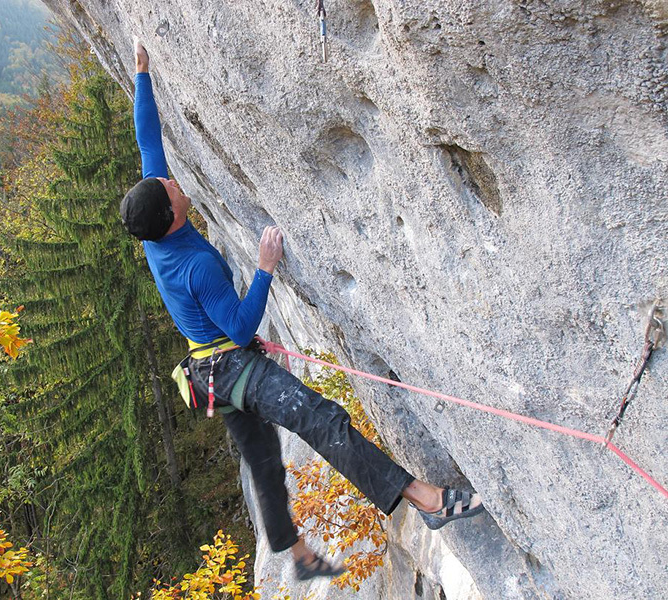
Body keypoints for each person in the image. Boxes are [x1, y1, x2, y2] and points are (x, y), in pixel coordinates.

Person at [120, 41, 485, 580]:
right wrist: (265, 267)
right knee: (320, 418)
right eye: (172, 190)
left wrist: (142, 73)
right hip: (230, 365)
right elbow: (241, 326)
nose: (175, 182)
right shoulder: (193, 267)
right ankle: (427, 500)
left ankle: (296, 556)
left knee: (265, 467)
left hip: (208, 371)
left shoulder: (155, 227)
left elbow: (147, 139)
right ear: (171, 216)